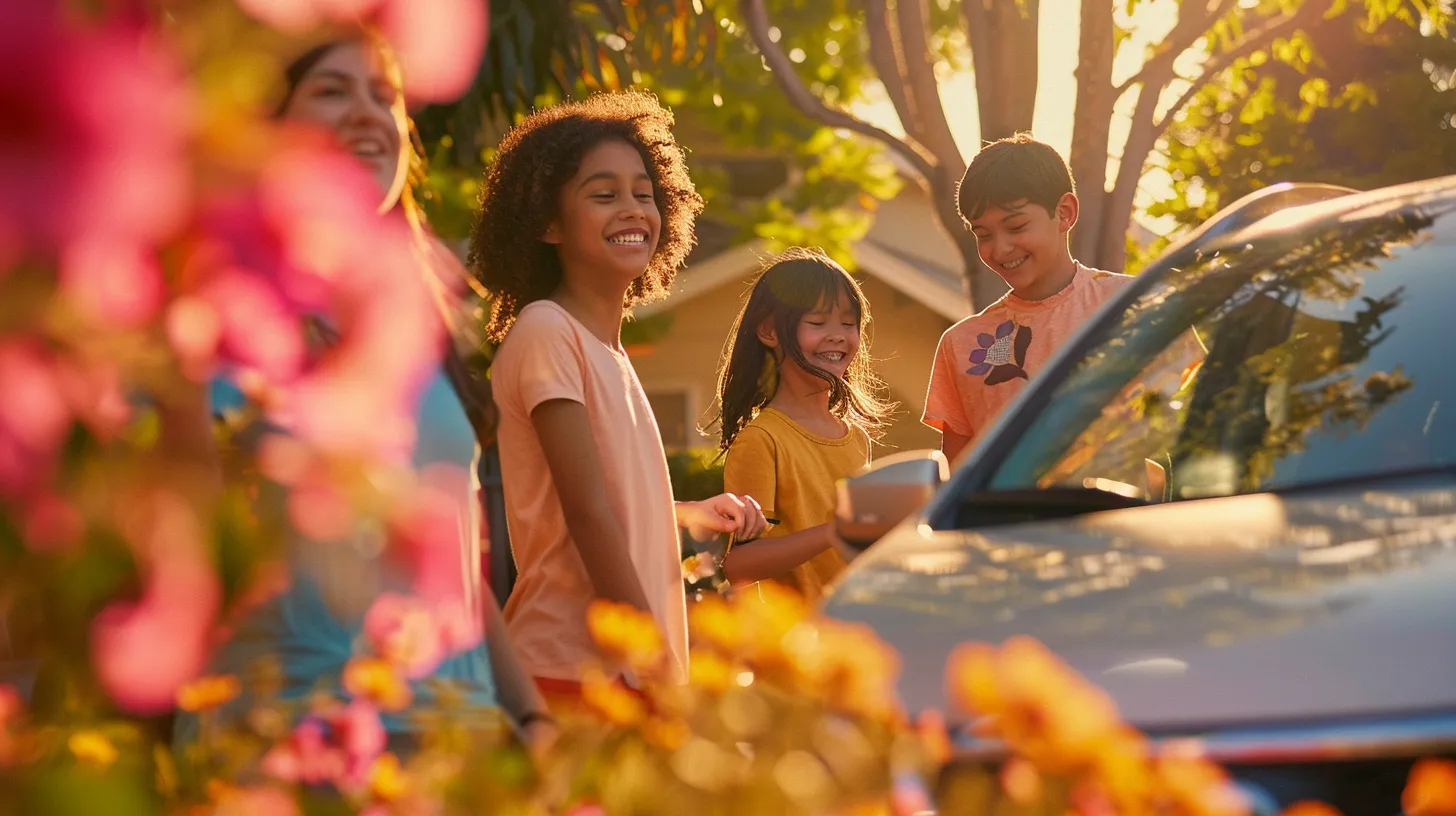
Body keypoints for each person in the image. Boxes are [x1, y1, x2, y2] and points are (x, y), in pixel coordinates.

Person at [175, 37, 553, 751]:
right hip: (283, 744)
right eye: (331, 91)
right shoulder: (201, 312)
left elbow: (452, 566)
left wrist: (531, 715)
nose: (367, 114)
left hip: (459, 741)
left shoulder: (411, 326)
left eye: (385, 96)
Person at [471, 91, 768, 703]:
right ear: (547, 224)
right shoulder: (547, 331)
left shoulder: (606, 350)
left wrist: (687, 513)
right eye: (603, 195)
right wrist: (652, 659)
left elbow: (606, 501)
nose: (632, 209)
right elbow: (586, 514)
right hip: (578, 669)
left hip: (615, 669)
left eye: (644, 193)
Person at [924, 132, 1134, 464]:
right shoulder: (960, 344)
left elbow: (1192, 426)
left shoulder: (1132, 305)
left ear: (1064, 213)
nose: (1000, 248)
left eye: (1017, 226)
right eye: (984, 234)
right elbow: (956, 474)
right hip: (1010, 518)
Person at [713, 248, 893, 603]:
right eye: (817, 322)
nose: (838, 335)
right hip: (801, 644)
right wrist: (835, 532)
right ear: (768, 331)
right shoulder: (761, 439)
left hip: (858, 632)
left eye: (848, 323)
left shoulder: (856, 437)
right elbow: (739, 564)